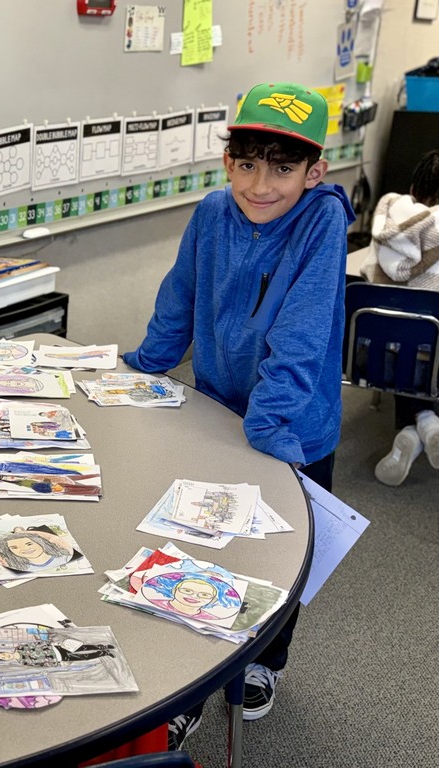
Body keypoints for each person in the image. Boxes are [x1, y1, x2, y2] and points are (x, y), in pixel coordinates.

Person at [123, 81, 355, 748]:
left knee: (280, 555)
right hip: (216, 409)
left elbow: (305, 334)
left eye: (282, 169)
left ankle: (264, 661)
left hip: (290, 427)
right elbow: (180, 295)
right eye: (247, 163)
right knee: (201, 546)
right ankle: (193, 676)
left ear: (314, 172)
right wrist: (146, 364)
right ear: (228, 163)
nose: (260, 184)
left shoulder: (321, 222)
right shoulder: (212, 213)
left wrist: (269, 430)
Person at [358, 148, 439, 485]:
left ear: (415, 188)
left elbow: (364, 276)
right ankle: (428, 422)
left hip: (380, 360)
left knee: (409, 343)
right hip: (435, 362)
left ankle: (418, 426)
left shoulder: (389, 225)